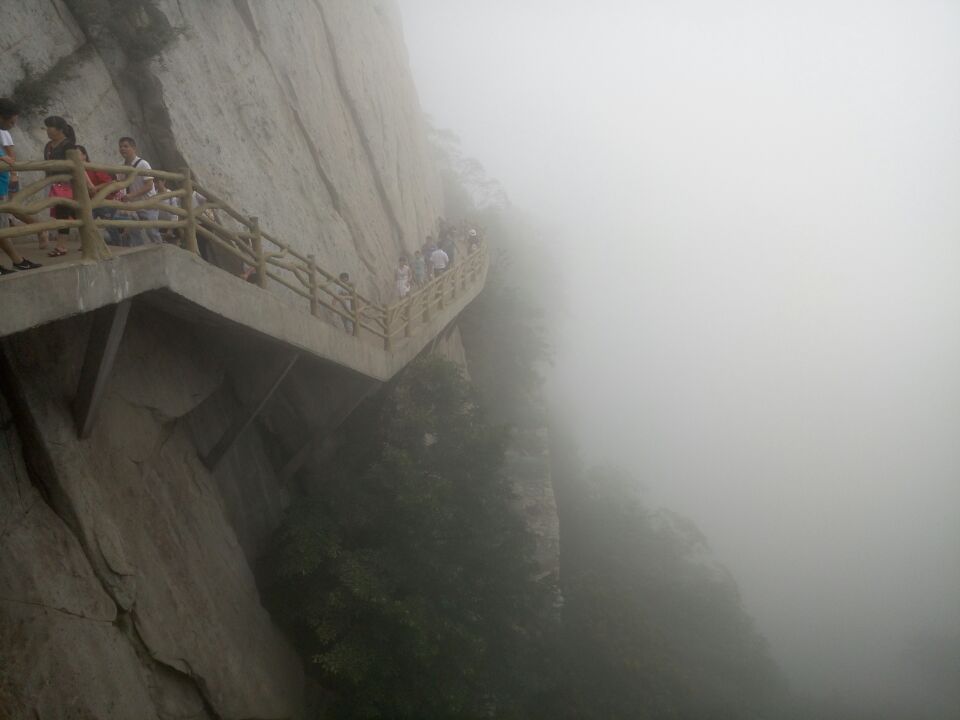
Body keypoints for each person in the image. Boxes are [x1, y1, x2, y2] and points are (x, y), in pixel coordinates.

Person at [0, 136, 41, 273]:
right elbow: (9, 159)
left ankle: (19, 261)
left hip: (2, 188)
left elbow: (9, 159)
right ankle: (19, 261)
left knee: (3, 229)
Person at [42, 116, 78, 257]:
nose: (47, 130)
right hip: (53, 184)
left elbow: (74, 167)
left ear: (60, 130)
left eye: (49, 127)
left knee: (63, 213)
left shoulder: (68, 145)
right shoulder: (48, 145)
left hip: (67, 185)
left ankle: (61, 246)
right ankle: (92, 238)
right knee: (69, 213)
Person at [118, 136, 161, 245]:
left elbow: (149, 186)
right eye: (120, 146)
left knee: (152, 231)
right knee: (134, 231)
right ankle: (139, 251)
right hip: (134, 205)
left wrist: (131, 195)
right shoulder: (122, 167)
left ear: (134, 148)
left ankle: (160, 250)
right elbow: (121, 184)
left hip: (148, 203)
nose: (122, 149)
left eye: (126, 146)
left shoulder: (143, 164)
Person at [77, 145, 123, 246]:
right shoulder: (77, 172)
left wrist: (95, 188)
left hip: (104, 201)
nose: (75, 157)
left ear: (84, 156)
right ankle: (88, 245)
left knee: (109, 225)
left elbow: (109, 182)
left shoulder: (93, 168)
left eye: (78, 154)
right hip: (90, 203)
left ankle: (117, 244)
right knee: (87, 223)